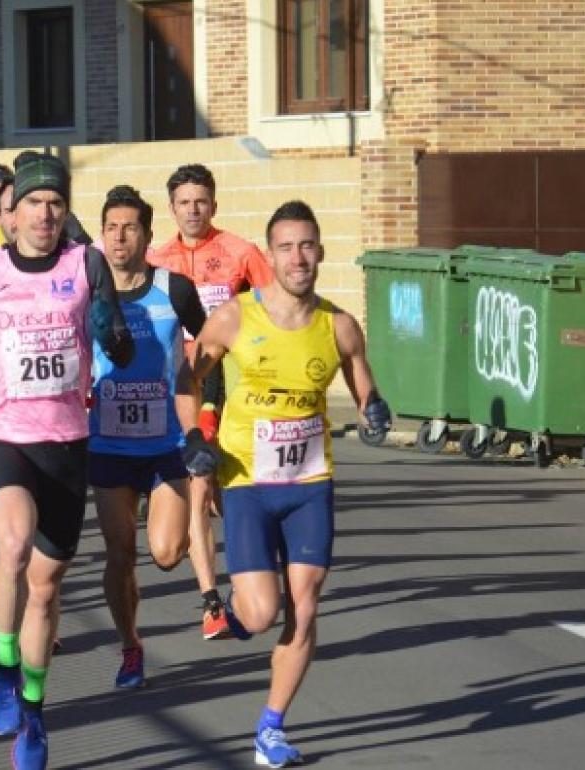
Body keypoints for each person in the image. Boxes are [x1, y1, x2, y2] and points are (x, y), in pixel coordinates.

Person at [0, 153, 134, 770]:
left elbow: (114, 331)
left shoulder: (86, 264)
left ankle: (33, 715)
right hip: (4, 434)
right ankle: (4, 669)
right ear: (10, 216)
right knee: (10, 544)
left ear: (66, 213)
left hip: (67, 441)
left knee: (45, 589)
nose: (45, 213)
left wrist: (116, 338)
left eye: (55, 204)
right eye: (34, 204)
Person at [192, 201, 390, 768]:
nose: (298, 257)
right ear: (269, 255)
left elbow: (365, 389)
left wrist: (374, 409)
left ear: (321, 253)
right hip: (248, 482)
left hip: (309, 483)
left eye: (307, 246)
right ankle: (232, 612)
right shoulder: (234, 317)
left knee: (304, 607)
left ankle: (271, 729)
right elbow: (190, 377)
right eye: (286, 247)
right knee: (261, 615)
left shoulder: (339, 325)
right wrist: (193, 434)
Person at [87, 186, 216, 689]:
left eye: (130, 227)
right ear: (102, 235)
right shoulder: (86, 293)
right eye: (111, 228)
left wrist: (204, 421)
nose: (120, 238)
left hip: (164, 443)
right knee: (120, 554)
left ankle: (177, 516)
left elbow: (212, 349)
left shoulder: (175, 289)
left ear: (147, 234)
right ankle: (130, 647)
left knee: (164, 554)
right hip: (107, 446)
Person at [150, 163, 274, 640]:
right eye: (184, 202)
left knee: (214, 491)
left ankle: (227, 593)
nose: (193, 210)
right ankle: (210, 591)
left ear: (214, 205)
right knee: (181, 520)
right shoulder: (158, 260)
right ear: (172, 208)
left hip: (231, 389)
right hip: (178, 390)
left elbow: (274, 311)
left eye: (201, 201)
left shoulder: (241, 253)